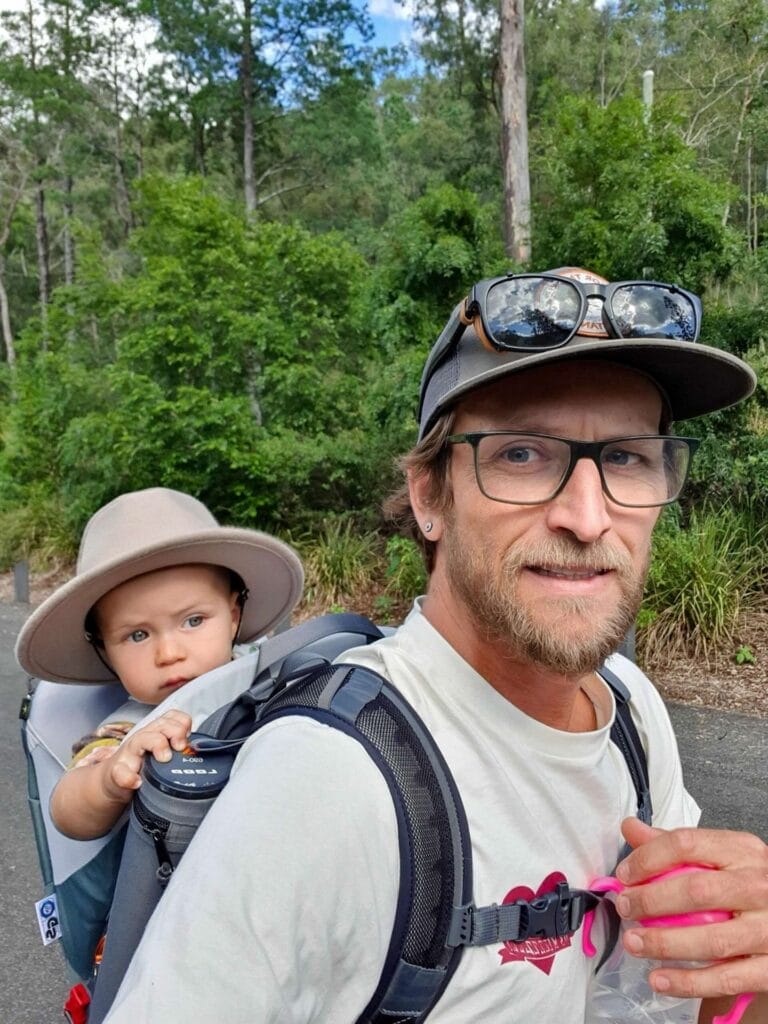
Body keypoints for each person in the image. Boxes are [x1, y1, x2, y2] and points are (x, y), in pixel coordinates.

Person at [101, 270, 767, 1024]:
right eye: (523, 454)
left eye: (626, 459)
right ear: (429, 497)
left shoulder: (631, 710)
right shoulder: (325, 779)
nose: (588, 518)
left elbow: (674, 997)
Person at [15, 486, 303, 840]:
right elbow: (68, 813)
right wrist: (107, 781)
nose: (169, 654)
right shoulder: (131, 730)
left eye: (193, 621)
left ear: (232, 615)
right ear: (105, 652)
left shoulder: (278, 676)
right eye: (137, 635)